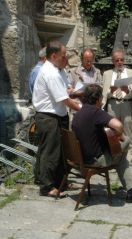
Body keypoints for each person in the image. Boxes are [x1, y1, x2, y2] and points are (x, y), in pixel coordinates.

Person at [72, 84, 132, 203]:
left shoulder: (79, 113)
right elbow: (119, 125)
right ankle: (131, 191)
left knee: (119, 152)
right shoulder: (96, 112)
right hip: (96, 160)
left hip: (81, 157)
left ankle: (131, 190)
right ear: (99, 99)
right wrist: (119, 135)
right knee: (125, 144)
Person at [32, 40, 81, 197]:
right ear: (53, 55)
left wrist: (74, 91)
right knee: (50, 151)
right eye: (63, 55)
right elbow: (64, 100)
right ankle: (46, 186)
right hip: (48, 117)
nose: (66, 58)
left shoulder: (58, 69)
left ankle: (61, 182)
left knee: (62, 151)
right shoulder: (50, 73)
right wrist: (83, 109)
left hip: (58, 116)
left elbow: (66, 90)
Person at [102, 49, 132, 169]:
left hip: (127, 104)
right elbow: (103, 93)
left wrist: (129, 90)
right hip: (112, 105)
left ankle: (128, 163)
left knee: (128, 134)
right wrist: (109, 91)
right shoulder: (107, 74)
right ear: (113, 61)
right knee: (112, 135)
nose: (120, 62)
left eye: (121, 60)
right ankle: (114, 162)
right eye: (117, 60)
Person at [68, 48, 103, 123]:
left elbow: (101, 87)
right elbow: (69, 92)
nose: (89, 63)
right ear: (81, 59)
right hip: (78, 108)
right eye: (87, 61)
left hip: (93, 109)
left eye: (91, 61)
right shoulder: (73, 72)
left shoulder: (97, 72)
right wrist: (81, 93)